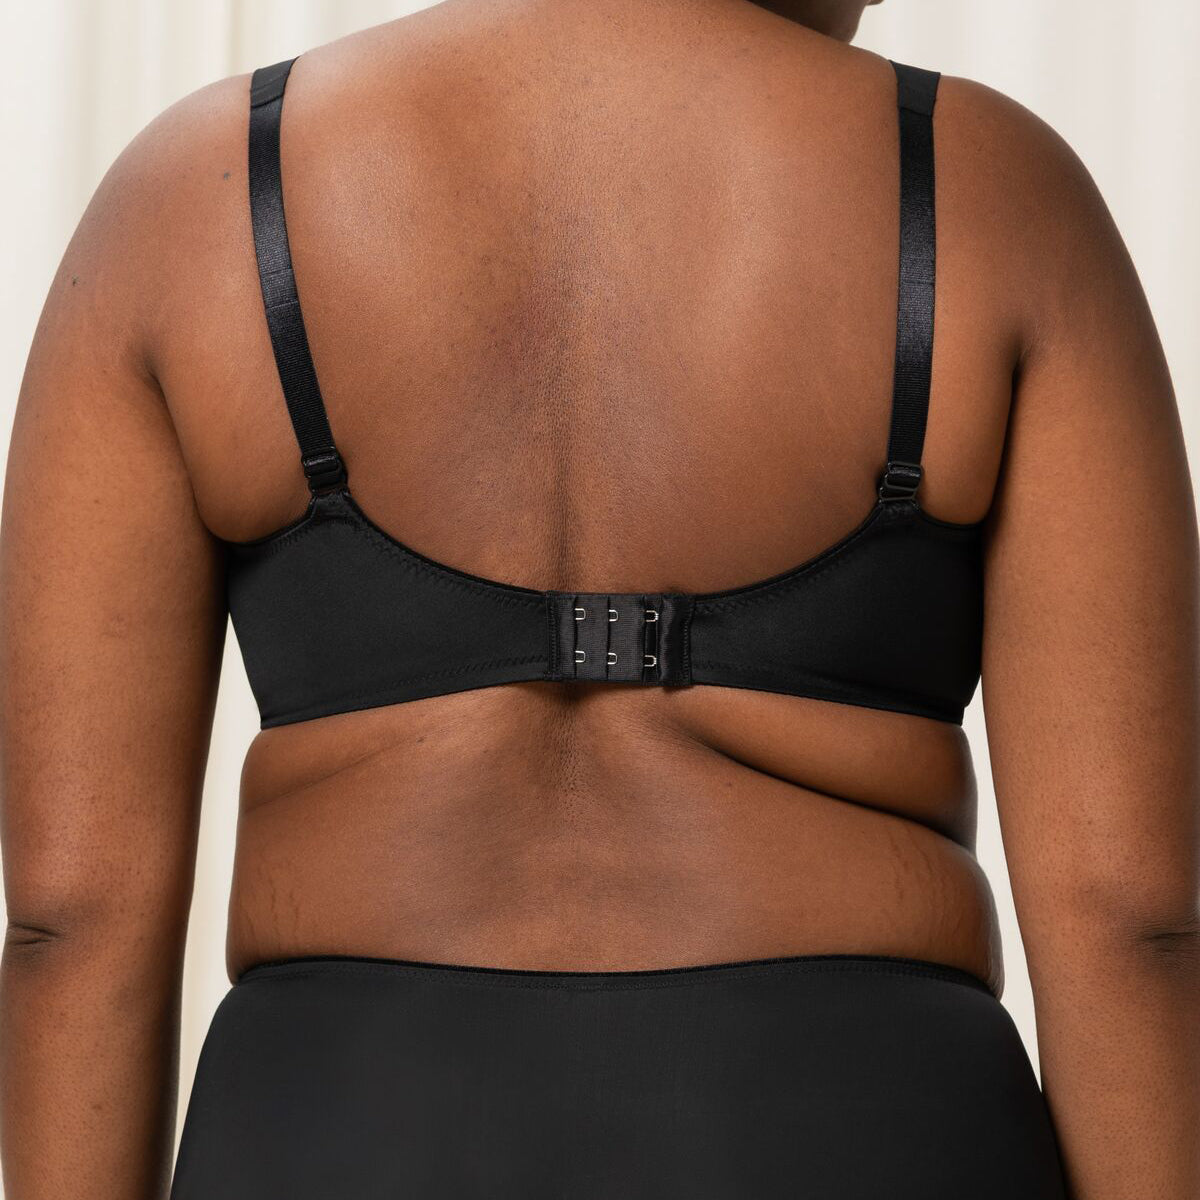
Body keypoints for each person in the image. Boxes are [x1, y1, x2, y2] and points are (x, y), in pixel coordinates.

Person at [2, 0, 1197, 1196]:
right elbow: (1130, 916)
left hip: (342, 1128)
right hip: (869, 1129)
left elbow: (70, 918)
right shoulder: (990, 188)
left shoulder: (198, 191)